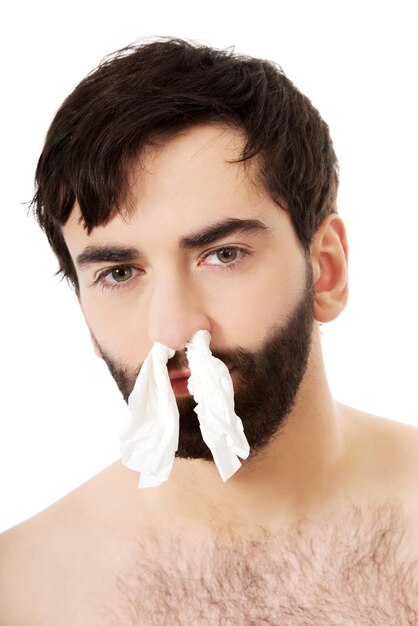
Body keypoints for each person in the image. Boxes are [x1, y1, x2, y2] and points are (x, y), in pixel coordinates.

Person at [1, 37, 417, 624]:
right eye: (119, 273)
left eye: (223, 255)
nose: (171, 328)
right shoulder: (22, 592)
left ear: (325, 270)